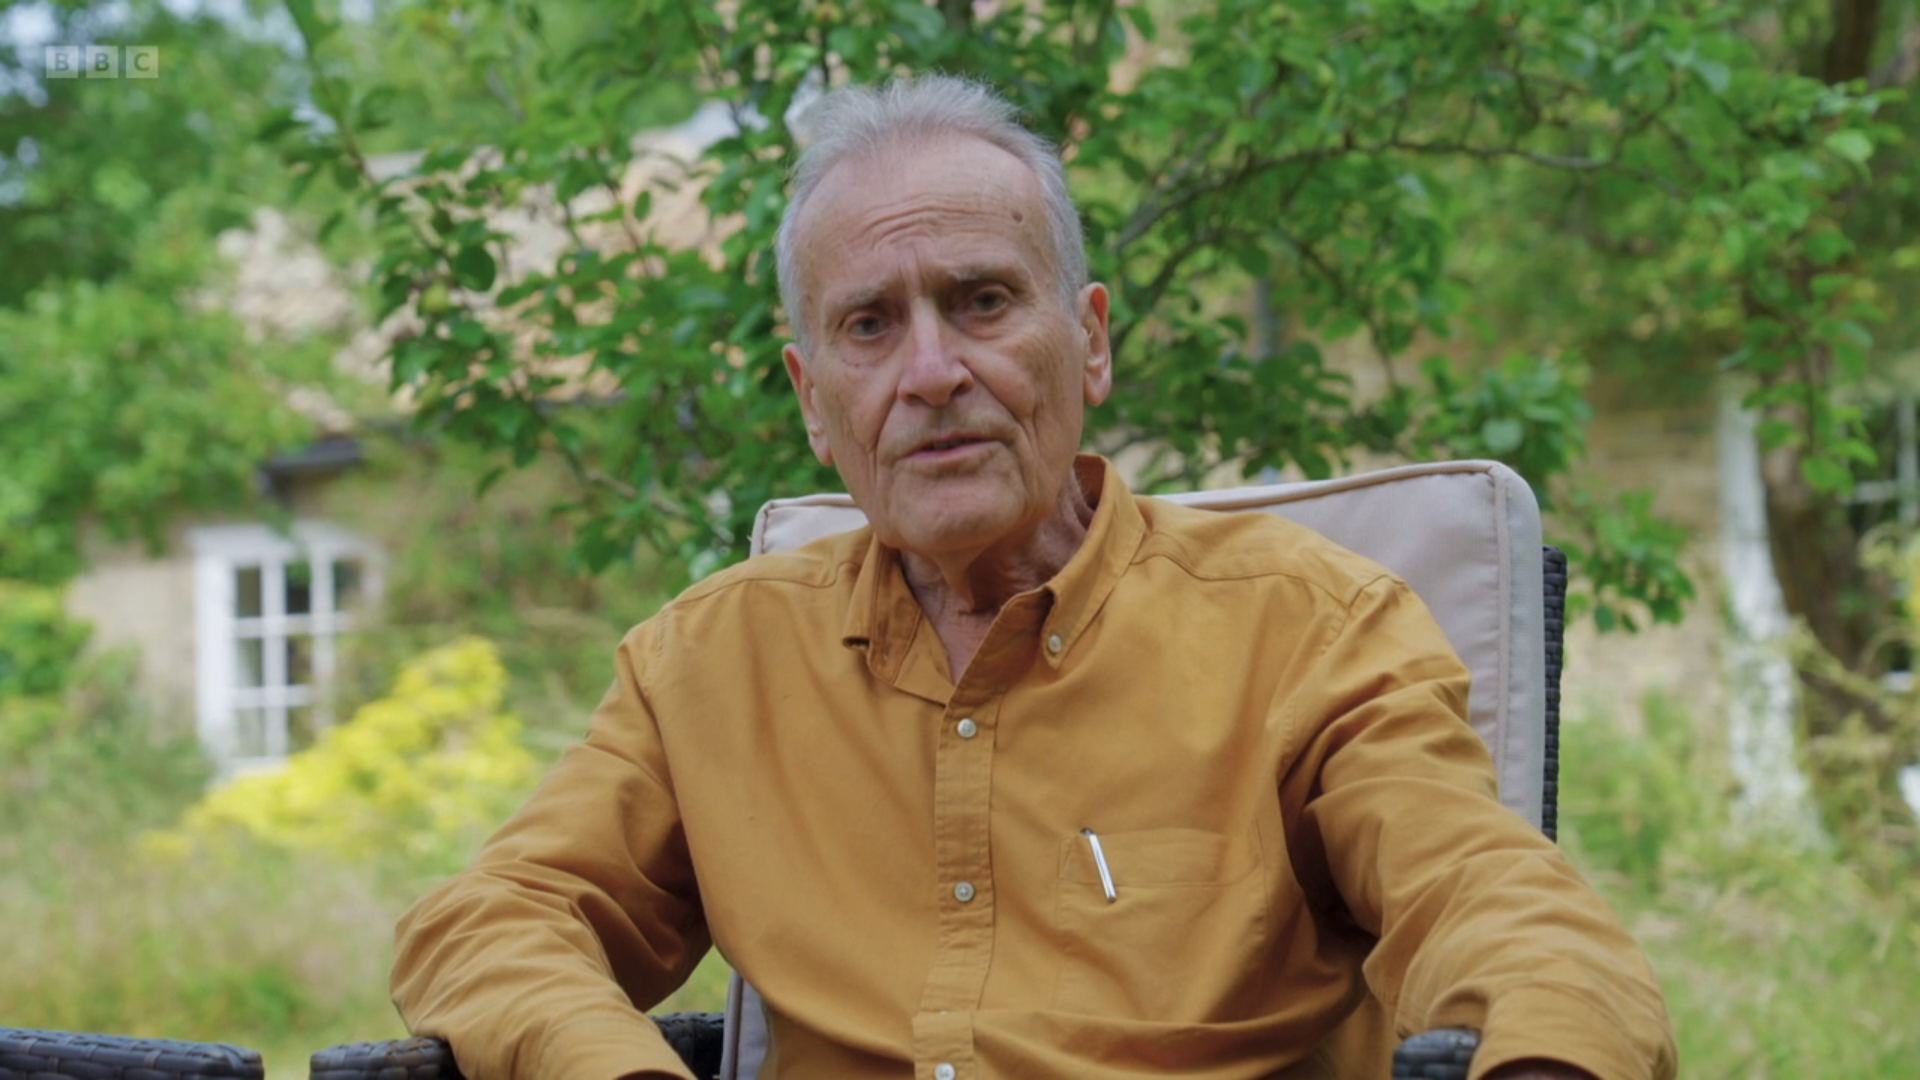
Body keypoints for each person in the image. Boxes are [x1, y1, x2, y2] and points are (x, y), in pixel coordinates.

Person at [390, 75, 1676, 1080]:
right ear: (814, 403)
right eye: (870, 326)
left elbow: (1502, 910)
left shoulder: (1311, 632)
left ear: (1091, 340)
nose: (933, 371)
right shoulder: (706, 669)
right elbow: (490, 923)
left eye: (984, 300)